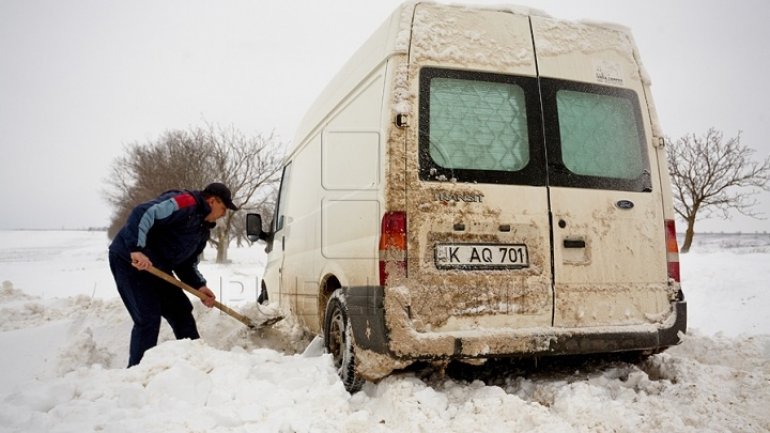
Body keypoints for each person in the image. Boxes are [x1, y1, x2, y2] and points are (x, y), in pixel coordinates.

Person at [108, 182, 239, 367]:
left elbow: (186, 264)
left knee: (181, 310)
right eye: (224, 208)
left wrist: (199, 286)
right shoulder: (185, 202)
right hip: (130, 260)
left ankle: (197, 361)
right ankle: (137, 373)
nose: (224, 214)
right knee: (148, 317)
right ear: (212, 200)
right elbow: (144, 212)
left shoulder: (201, 231)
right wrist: (135, 248)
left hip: (158, 268)